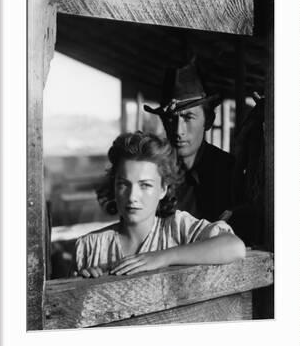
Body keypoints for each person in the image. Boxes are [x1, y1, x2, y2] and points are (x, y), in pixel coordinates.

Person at [72, 132, 245, 278]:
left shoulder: (178, 227)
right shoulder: (89, 247)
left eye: (145, 185)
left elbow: (234, 247)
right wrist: (83, 281)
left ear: (163, 189)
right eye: (123, 184)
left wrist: (162, 257)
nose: (132, 197)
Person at [144, 62, 235, 222]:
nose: (179, 131)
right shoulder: (153, 172)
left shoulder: (230, 171)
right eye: (171, 119)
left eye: (188, 118)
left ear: (209, 120)